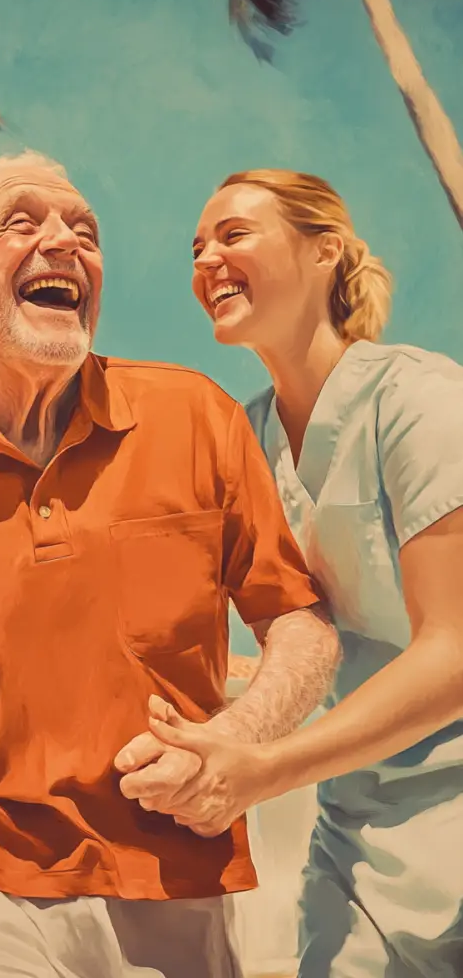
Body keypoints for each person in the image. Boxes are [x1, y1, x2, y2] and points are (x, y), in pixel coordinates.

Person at [0, 152, 341, 978]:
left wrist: (238, 737)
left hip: (171, 865)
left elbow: (298, 620)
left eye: (84, 231)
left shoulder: (193, 415)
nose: (65, 242)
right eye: (21, 222)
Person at [116, 169, 463, 977]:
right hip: (362, 824)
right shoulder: (241, 439)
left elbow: (452, 650)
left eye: (233, 234)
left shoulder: (422, 401)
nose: (205, 259)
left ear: (324, 251)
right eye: (195, 248)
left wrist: (263, 768)